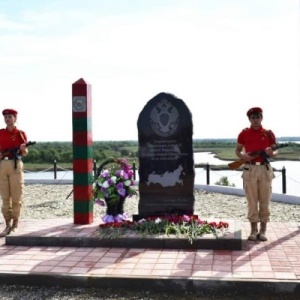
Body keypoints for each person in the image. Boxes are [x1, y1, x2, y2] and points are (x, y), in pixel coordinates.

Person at [235, 107, 278, 241]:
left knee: (265, 200)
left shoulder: (268, 133)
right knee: (252, 201)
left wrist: (272, 153)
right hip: (250, 168)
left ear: (261, 118)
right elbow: (237, 150)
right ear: (249, 119)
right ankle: (253, 230)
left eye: (257, 117)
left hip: (265, 169)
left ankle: (263, 230)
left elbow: (275, 151)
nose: (255, 120)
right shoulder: (244, 133)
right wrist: (244, 156)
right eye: (253, 117)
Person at [0, 109, 29, 237]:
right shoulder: (1, 133)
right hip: (2, 164)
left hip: (15, 164)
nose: (7, 119)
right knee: (5, 196)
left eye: (10, 116)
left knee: (16, 196)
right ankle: (7, 224)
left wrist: (22, 149)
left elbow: (25, 153)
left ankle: (15, 223)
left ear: (15, 118)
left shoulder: (20, 134)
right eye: (5, 117)